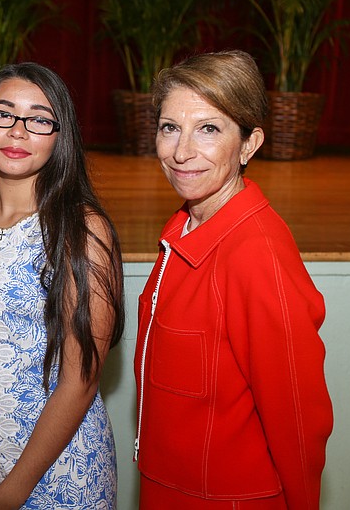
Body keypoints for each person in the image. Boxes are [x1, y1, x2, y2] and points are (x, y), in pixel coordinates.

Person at [134, 50, 333, 509]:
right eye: (170, 128)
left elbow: (298, 418)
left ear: (249, 144)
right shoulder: (185, 229)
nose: (182, 152)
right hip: (169, 489)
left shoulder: (257, 255)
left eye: (209, 129)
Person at [0, 62, 125, 509]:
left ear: (61, 136)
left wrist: (14, 492)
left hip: (61, 474)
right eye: (3, 113)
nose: (17, 131)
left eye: (39, 119)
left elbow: (81, 378)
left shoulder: (82, 229)